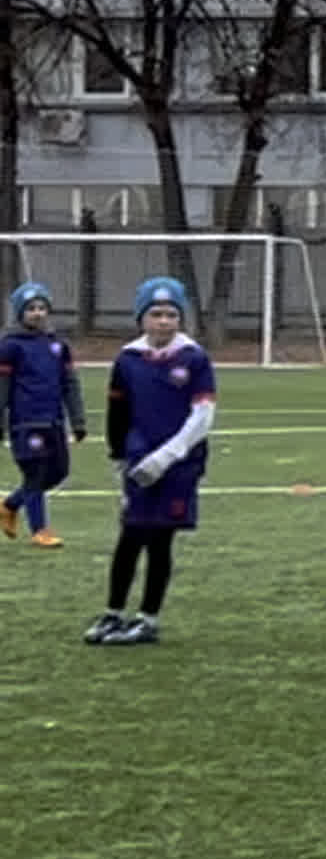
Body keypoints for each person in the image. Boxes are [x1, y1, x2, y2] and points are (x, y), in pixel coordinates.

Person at [91, 276, 213, 646]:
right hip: (137, 462)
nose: (164, 321)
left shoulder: (194, 358)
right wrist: (118, 460)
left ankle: (148, 618)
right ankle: (113, 613)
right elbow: (118, 413)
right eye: (156, 314)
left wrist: (167, 457)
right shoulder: (128, 360)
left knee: (160, 539)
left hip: (178, 465)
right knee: (129, 537)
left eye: (171, 314)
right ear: (141, 318)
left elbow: (202, 417)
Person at [5, 282, 86, 548]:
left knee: (59, 473)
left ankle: (9, 505)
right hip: (25, 423)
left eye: (41, 308)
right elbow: (2, 387)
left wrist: (77, 420)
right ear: (20, 313)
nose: (37, 313)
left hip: (54, 421)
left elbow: (69, 384)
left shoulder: (57, 345)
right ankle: (40, 530)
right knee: (35, 474)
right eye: (30, 309)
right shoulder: (10, 346)